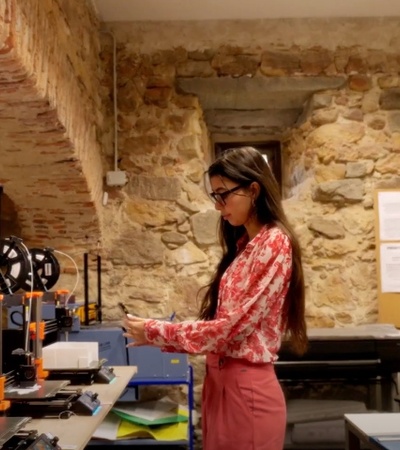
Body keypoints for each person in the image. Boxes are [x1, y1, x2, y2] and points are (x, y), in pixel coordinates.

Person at [122, 146, 307, 450]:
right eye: (214, 196)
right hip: (221, 383)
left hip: (246, 389)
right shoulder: (245, 246)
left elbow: (231, 329)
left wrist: (158, 331)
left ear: (254, 190)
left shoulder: (274, 242)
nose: (219, 206)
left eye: (224, 194)